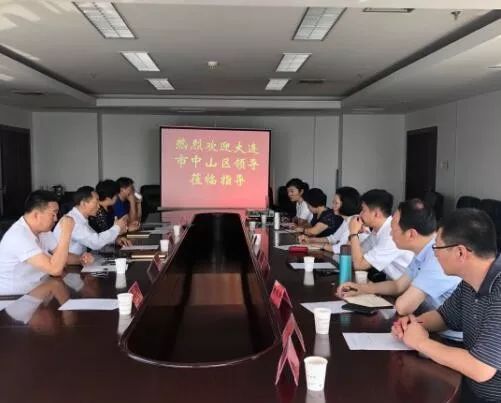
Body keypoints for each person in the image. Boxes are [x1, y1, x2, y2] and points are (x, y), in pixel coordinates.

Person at [393, 209, 501, 403]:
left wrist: (420, 342)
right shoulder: (469, 282)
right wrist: (413, 324)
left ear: (460, 252)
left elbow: (481, 369)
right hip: (468, 387)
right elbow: (444, 317)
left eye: (437, 247)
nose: (435, 254)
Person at [337, 199, 460, 315]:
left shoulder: (438, 257)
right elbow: (398, 286)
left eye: (394, 229)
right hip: (424, 317)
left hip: (443, 329)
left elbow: (403, 307)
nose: (390, 233)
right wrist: (362, 288)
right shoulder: (423, 250)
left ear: (411, 234)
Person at [0, 190, 92, 295]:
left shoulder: (43, 231)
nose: (56, 219)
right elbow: (55, 269)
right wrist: (66, 232)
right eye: (53, 214)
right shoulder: (19, 236)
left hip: (38, 289)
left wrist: (81, 259)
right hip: (14, 298)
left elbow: (62, 256)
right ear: (36, 215)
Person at [348, 189, 414, 280]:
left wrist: (353, 234)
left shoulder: (390, 235)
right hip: (394, 283)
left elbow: (359, 265)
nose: (360, 214)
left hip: (411, 286)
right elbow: (353, 257)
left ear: (376, 214)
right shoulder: (377, 231)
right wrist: (354, 234)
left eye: (363, 210)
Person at [53, 186, 127, 255]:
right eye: (96, 202)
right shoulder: (73, 220)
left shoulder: (79, 218)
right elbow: (96, 243)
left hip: (79, 260)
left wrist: (115, 240)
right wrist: (117, 227)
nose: (98, 206)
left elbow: (94, 236)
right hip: (69, 263)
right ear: (84, 204)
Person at [299, 186, 362, 253]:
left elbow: (340, 248)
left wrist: (314, 244)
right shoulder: (347, 220)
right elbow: (333, 239)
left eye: (336, 203)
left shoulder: (354, 221)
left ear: (346, 204)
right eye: (333, 202)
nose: (333, 206)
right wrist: (310, 240)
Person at [89, 180, 131, 247]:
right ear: (108, 198)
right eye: (116, 195)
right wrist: (126, 229)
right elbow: (105, 235)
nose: (117, 197)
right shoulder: (98, 212)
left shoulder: (109, 208)